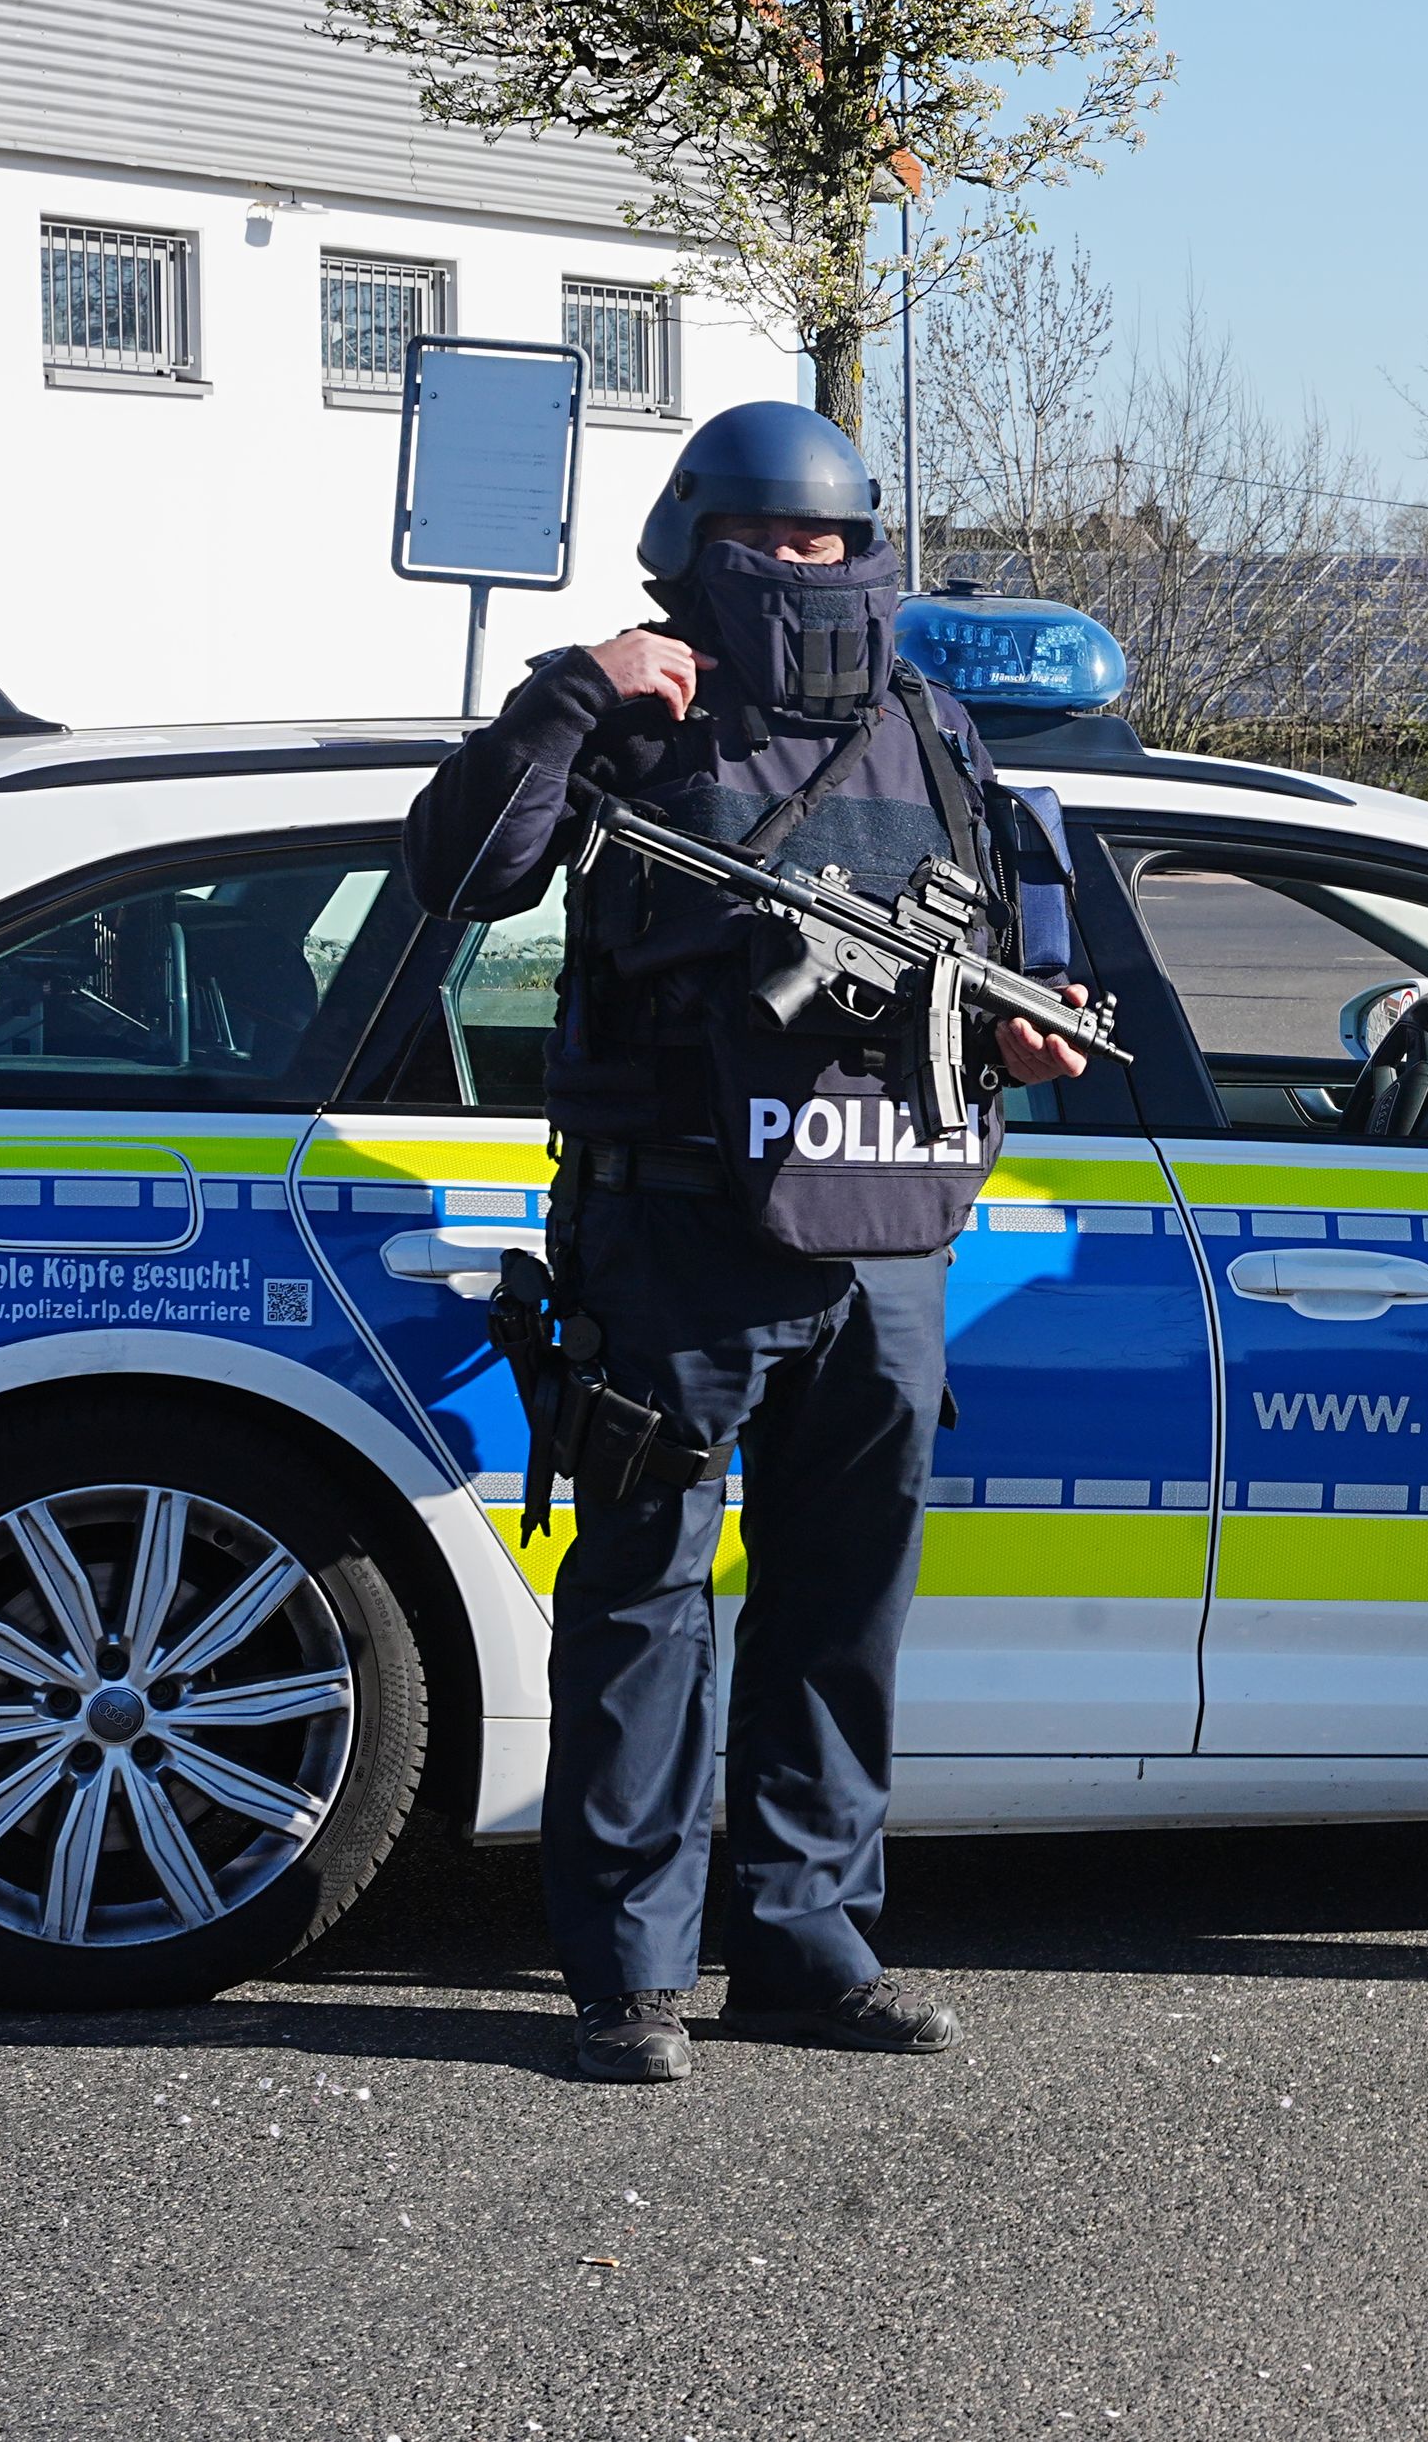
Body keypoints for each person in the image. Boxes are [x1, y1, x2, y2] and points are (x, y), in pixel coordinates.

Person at [401, 399, 1096, 2085]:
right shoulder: (641, 710)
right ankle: (628, 1978)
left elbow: (1011, 931)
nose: (802, 568)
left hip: (891, 1243)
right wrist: (573, 698)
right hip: (678, 1231)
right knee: (644, 1607)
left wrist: (1027, 1030)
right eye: (768, 542)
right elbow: (462, 870)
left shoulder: (931, 722)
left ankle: (806, 1946)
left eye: (829, 541)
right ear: (690, 549)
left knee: (840, 1612)